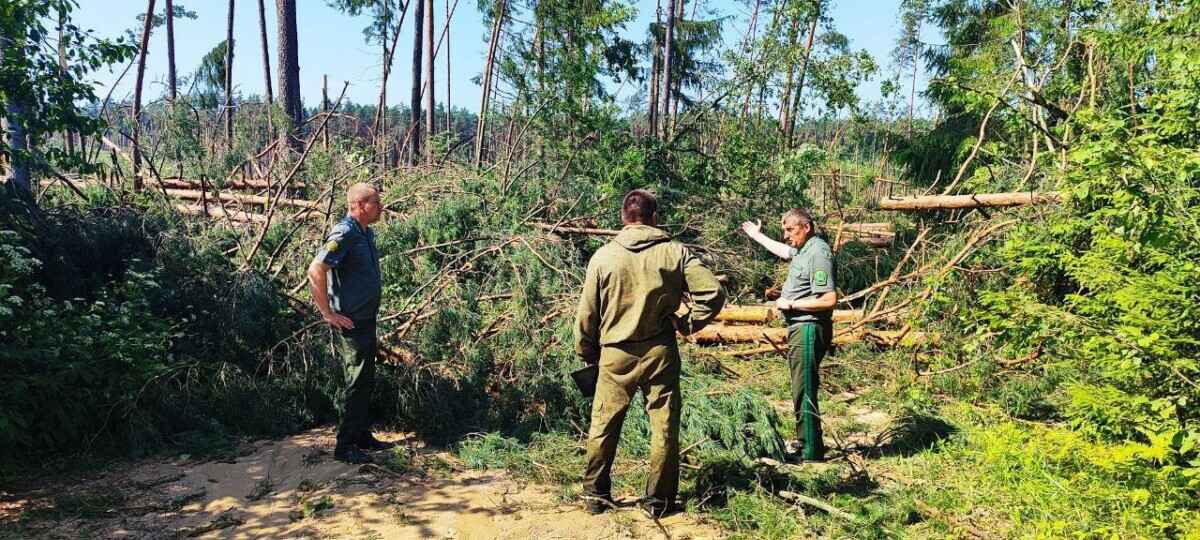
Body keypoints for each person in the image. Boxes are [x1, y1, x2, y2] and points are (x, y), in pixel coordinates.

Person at [574, 189, 725, 517]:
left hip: (615, 353)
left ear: (623, 218)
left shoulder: (604, 257)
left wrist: (587, 352)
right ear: (654, 218)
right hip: (660, 350)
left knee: (603, 424)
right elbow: (713, 292)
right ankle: (658, 502)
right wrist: (687, 323)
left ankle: (595, 497)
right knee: (664, 426)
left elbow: (587, 314)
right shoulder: (675, 252)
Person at [308, 182, 394, 464]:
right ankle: (344, 446)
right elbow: (316, 269)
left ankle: (360, 435)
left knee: (365, 379)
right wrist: (328, 313)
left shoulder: (364, 233)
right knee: (356, 382)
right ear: (359, 205)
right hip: (352, 322)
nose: (380, 208)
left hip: (367, 320)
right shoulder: (344, 233)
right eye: (375, 203)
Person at [741, 209, 836, 462]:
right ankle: (806, 442)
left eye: (790, 230)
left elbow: (828, 299)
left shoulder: (819, 252)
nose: (785, 236)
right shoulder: (805, 249)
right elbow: (784, 252)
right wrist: (757, 236)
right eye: (784, 230)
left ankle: (810, 451)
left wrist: (791, 304)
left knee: (803, 388)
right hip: (799, 327)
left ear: (806, 227)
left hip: (808, 327)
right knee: (799, 386)